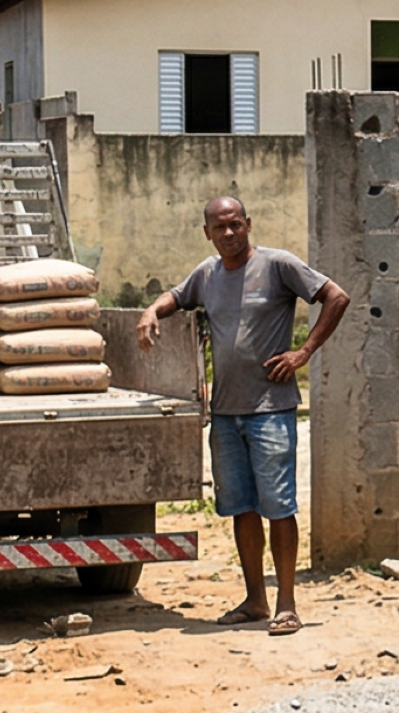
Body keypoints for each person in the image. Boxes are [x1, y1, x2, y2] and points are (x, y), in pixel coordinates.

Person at [138, 196, 350, 634]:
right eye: (220, 227)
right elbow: (176, 297)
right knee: (241, 509)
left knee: (279, 507)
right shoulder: (207, 274)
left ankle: (286, 604)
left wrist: (303, 352)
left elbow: (336, 296)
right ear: (208, 233)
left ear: (248, 224)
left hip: (270, 410)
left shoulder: (277, 266)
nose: (229, 233)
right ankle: (255, 600)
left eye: (236, 225)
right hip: (226, 413)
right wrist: (150, 312)